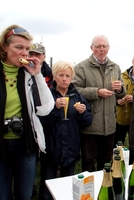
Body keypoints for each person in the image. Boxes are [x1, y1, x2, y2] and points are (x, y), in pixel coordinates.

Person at [0, 24, 54, 199]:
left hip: (25, 145)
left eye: (27, 49)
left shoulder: (29, 73)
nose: (25, 53)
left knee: (25, 195)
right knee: (1, 196)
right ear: (4, 47)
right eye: (19, 47)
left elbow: (46, 109)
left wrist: (37, 75)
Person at [38, 60, 93, 200]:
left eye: (67, 76)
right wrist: (55, 109)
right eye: (61, 75)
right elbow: (41, 122)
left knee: (68, 186)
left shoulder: (77, 96)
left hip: (71, 149)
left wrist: (83, 113)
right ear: (54, 77)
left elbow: (88, 122)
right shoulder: (47, 96)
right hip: (50, 149)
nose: (64, 78)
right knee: (47, 187)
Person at [73, 35, 125, 172]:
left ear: (108, 48)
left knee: (106, 162)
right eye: (98, 46)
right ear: (92, 48)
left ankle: (104, 188)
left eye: (104, 46)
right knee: (88, 162)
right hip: (90, 124)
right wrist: (96, 92)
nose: (102, 49)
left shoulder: (115, 67)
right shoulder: (81, 67)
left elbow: (121, 93)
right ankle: (88, 191)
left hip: (109, 124)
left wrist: (120, 89)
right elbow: (75, 91)